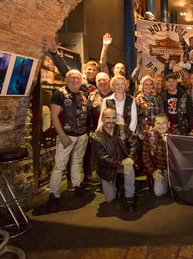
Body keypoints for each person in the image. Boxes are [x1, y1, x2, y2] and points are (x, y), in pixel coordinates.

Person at [47, 70, 90, 212]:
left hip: (82, 134)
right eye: (72, 78)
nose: (75, 80)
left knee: (77, 161)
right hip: (67, 135)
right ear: (66, 79)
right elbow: (54, 116)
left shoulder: (83, 94)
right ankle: (54, 194)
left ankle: (77, 186)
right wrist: (62, 135)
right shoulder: (59, 94)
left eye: (78, 78)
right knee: (60, 165)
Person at [91, 108, 138, 211]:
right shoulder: (96, 136)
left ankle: (130, 196)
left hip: (124, 163)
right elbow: (103, 158)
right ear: (102, 119)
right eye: (108, 118)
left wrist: (130, 158)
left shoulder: (123, 128)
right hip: (108, 169)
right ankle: (119, 183)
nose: (111, 121)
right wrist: (121, 162)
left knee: (128, 167)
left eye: (113, 118)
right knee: (110, 199)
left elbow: (134, 143)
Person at [141, 114, 171, 197]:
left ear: (169, 124)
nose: (161, 126)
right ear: (154, 124)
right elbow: (145, 155)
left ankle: (170, 183)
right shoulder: (149, 136)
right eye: (158, 123)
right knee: (158, 192)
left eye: (164, 123)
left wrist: (169, 142)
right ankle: (167, 183)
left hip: (174, 170)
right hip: (160, 169)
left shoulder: (175, 134)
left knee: (179, 191)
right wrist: (153, 171)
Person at [178, 71, 193, 135]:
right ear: (189, 80)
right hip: (189, 127)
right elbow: (182, 111)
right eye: (192, 78)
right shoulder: (186, 94)